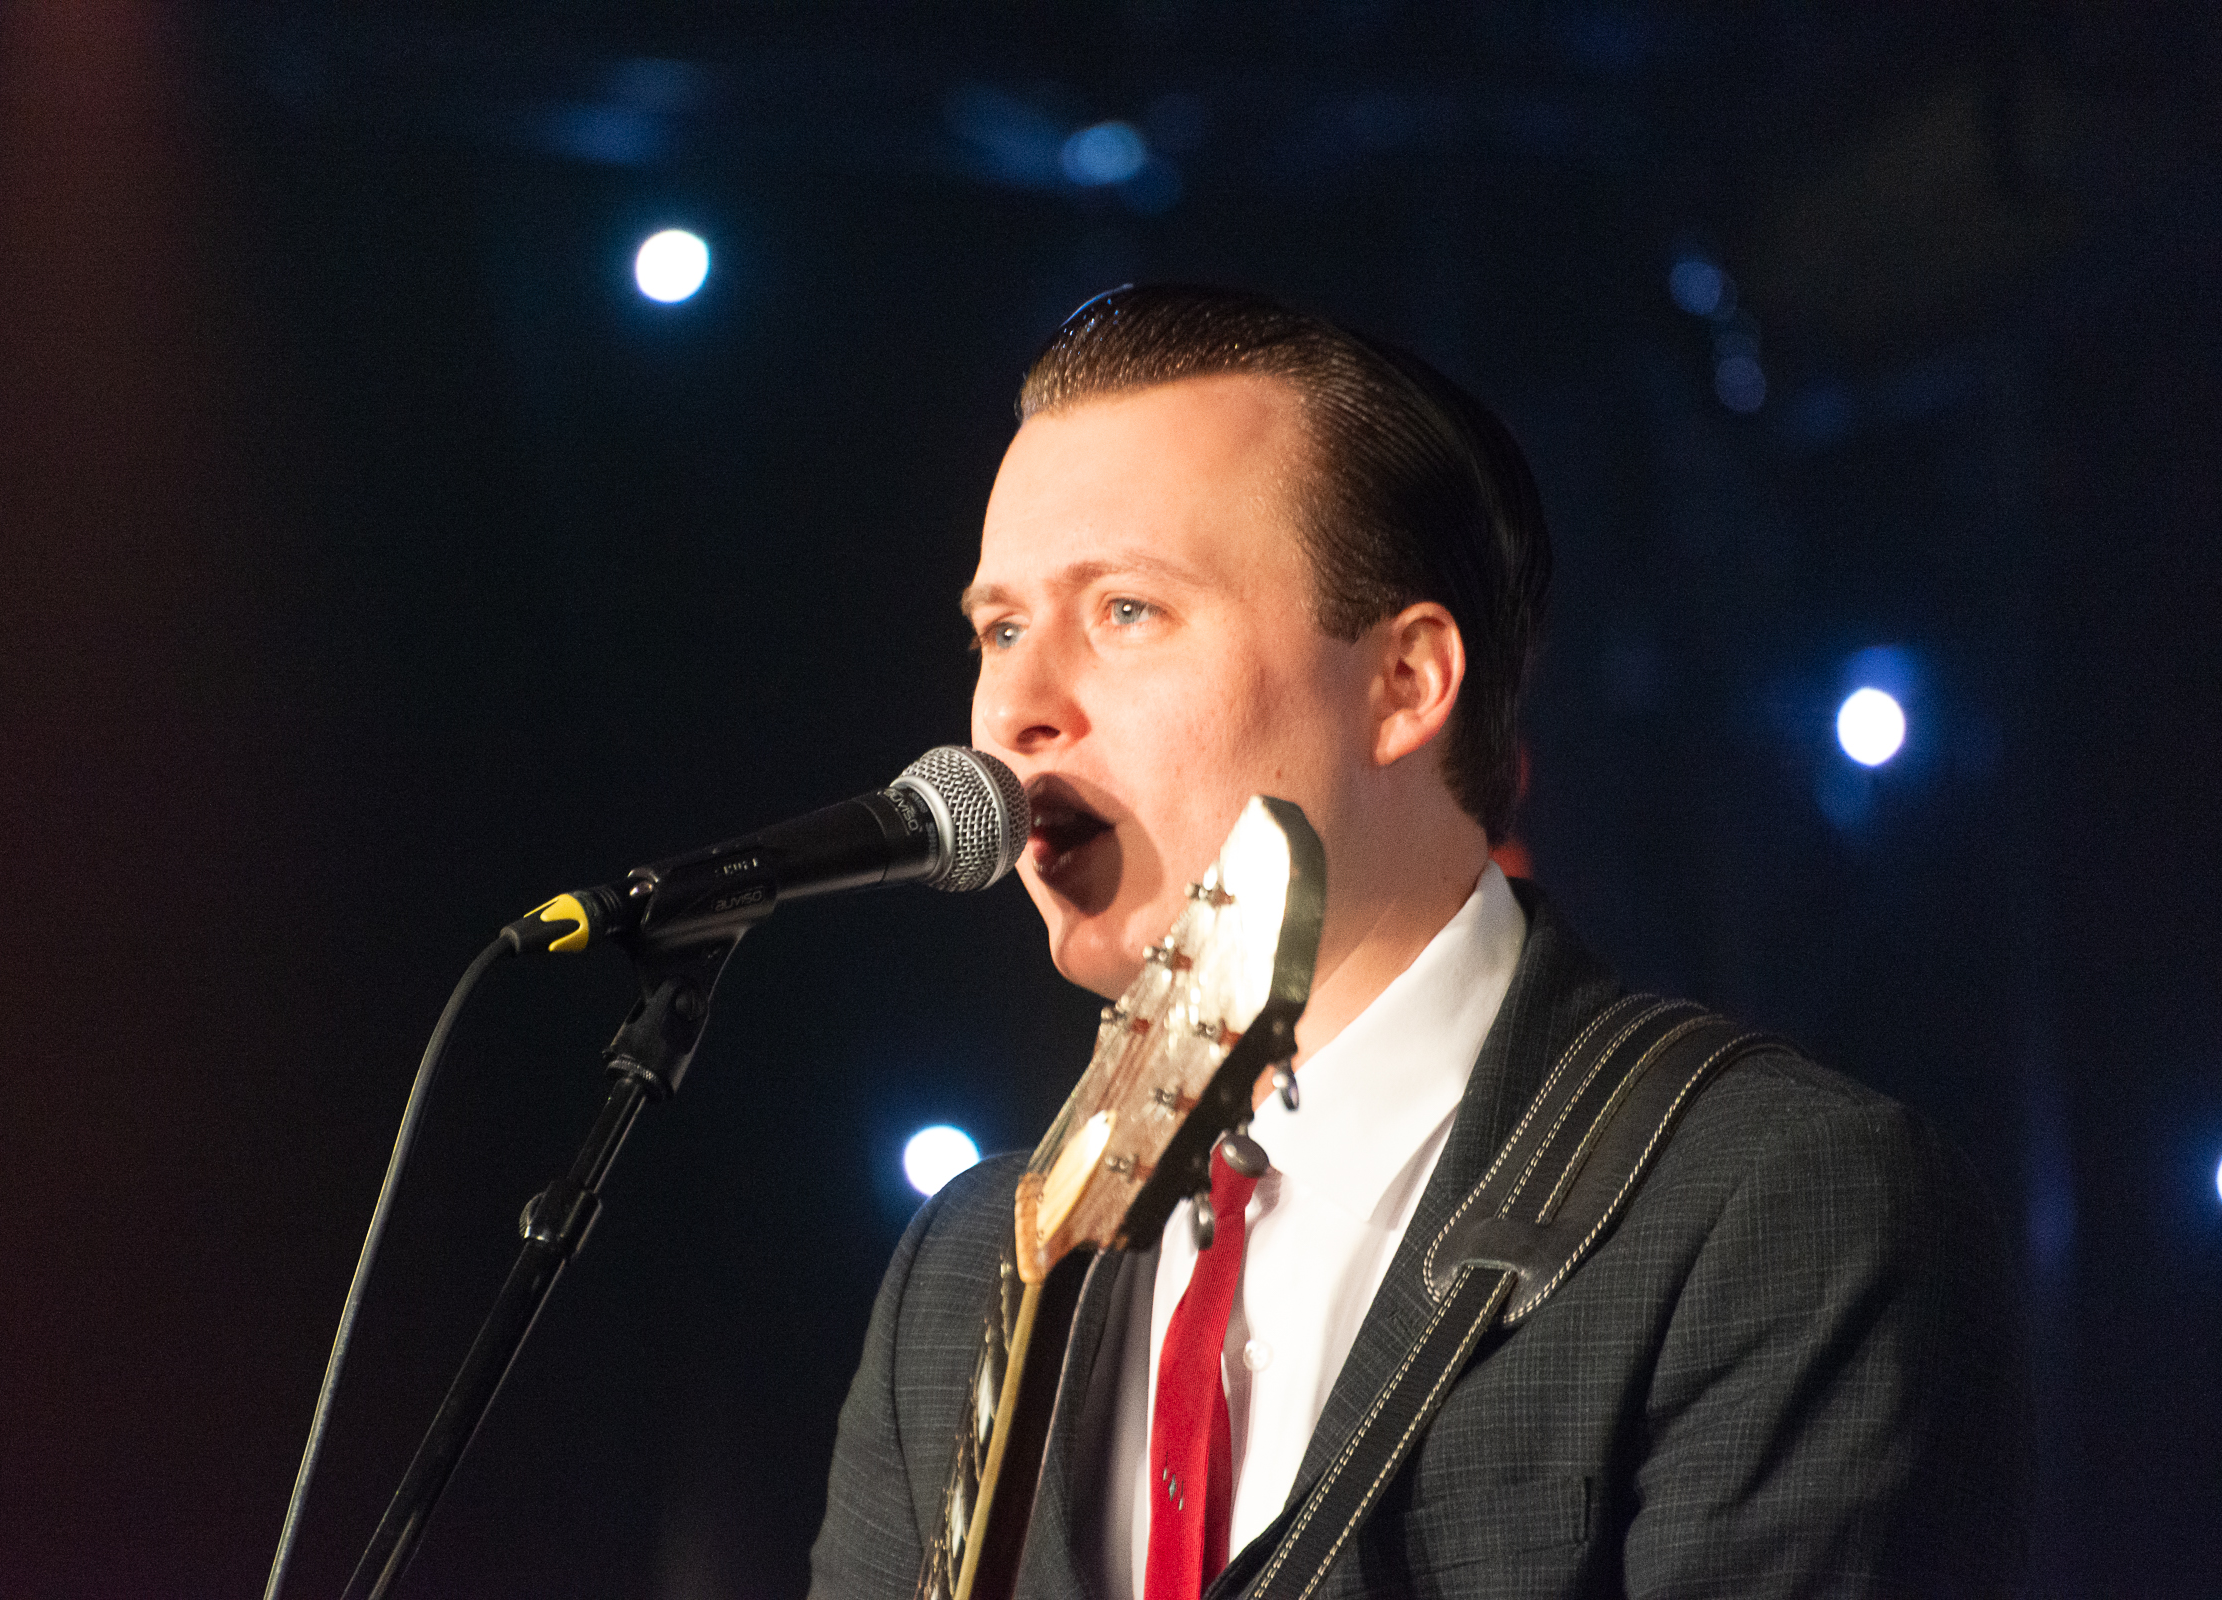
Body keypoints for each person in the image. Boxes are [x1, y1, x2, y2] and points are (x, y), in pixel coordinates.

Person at [809, 286, 2030, 1599]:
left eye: (1125, 612)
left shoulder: (1773, 1204)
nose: (1021, 711)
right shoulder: (966, 1270)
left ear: (1403, 685)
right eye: (1001, 628)